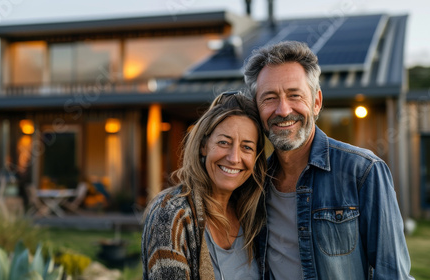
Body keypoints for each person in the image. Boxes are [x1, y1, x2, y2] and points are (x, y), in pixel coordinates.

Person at [243, 41, 414, 280]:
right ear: (256, 109)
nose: (282, 110)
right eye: (269, 98)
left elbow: (391, 273)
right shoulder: (254, 183)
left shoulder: (364, 172)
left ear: (316, 102)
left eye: (295, 95)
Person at [142, 91, 267, 279]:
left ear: (256, 158)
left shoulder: (254, 216)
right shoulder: (170, 214)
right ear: (203, 146)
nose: (234, 158)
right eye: (224, 142)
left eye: (247, 147)